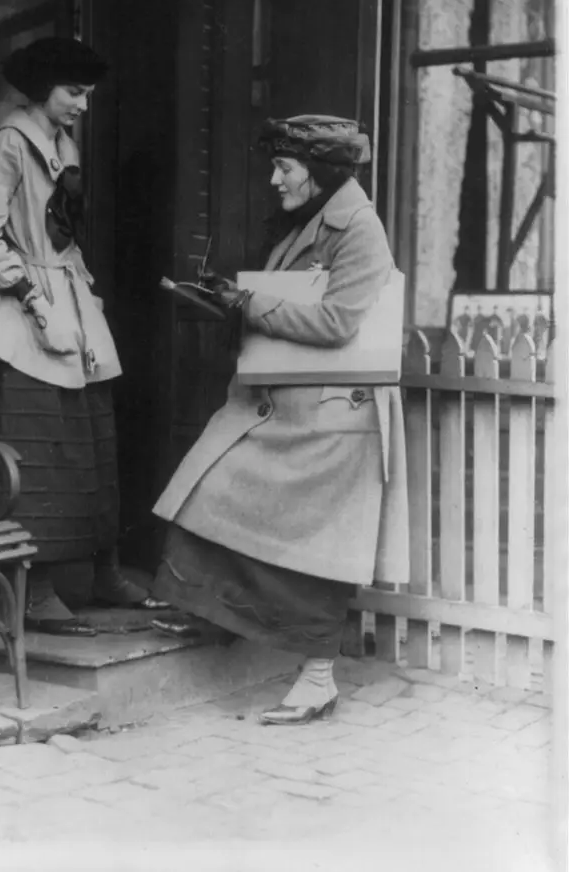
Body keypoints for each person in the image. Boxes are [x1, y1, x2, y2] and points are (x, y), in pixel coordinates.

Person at [150, 115, 409, 724]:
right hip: (297, 406)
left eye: (284, 168)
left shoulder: (359, 229)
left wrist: (250, 303)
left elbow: (338, 322)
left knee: (317, 555)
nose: (274, 179)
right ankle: (206, 609)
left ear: (317, 173)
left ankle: (318, 679)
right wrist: (230, 301)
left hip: (335, 421)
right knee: (210, 491)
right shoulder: (315, 218)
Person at [0, 37, 167, 637]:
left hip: (73, 304)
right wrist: (33, 299)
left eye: (88, 94)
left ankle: (104, 573)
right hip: (23, 318)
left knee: (93, 441)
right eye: (74, 92)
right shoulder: (8, 145)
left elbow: (63, 235)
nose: (83, 104)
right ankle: (38, 591)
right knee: (39, 448)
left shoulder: (64, 144)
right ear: (43, 88)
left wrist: (83, 294)